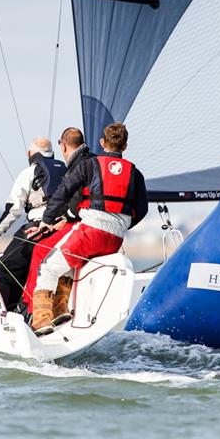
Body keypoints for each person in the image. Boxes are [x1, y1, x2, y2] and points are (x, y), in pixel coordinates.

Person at [27, 122, 148, 336]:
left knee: (47, 266)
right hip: (116, 238)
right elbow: (142, 208)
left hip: (91, 232)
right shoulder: (135, 173)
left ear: (102, 143)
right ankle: (59, 309)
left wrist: (47, 219)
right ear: (125, 146)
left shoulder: (90, 165)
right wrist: (121, 225)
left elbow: (64, 191)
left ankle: (41, 321)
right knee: (70, 261)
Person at [0, 137, 69, 308]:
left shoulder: (30, 172)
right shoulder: (68, 170)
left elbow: (13, 210)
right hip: (67, 228)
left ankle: (2, 311)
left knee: (3, 272)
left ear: (31, 154)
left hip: (39, 227)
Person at [21, 127, 94, 314]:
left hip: (82, 224)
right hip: (98, 222)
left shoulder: (80, 165)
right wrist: (59, 219)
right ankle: (59, 305)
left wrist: (48, 221)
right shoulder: (91, 161)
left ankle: (33, 310)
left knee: (40, 251)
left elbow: (70, 197)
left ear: (63, 146)